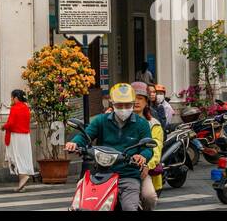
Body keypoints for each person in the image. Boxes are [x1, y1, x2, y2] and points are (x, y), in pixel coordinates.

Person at [65, 83, 154, 212]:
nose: (123, 109)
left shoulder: (142, 124)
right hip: (101, 174)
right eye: (119, 105)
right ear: (112, 104)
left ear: (133, 104)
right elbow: (86, 136)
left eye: (127, 105)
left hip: (128, 175)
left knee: (130, 207)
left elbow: (148, 148)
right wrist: (74, 143)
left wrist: (142, 156)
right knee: (80, 203)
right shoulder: (101, 120)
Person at [132, 81, 165, 209]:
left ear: (146, 102)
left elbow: (155, 150)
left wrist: (146, 165)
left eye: (140, 98)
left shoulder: (154, 124)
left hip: (145, 171)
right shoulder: (119, 121)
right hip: (121, 169)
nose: (136, 102)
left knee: (149, 196)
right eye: (133, 98)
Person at [3, 89, 35, 192]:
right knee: (23, 157)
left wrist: (4, 126)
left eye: (11, 97)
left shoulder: (15, 108)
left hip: (16, 136)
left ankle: (24, 177)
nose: (11, 99)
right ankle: (22, 183)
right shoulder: (26, 107)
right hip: (25, 136)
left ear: (16, 98)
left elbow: (11, 123)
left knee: (16, 157)